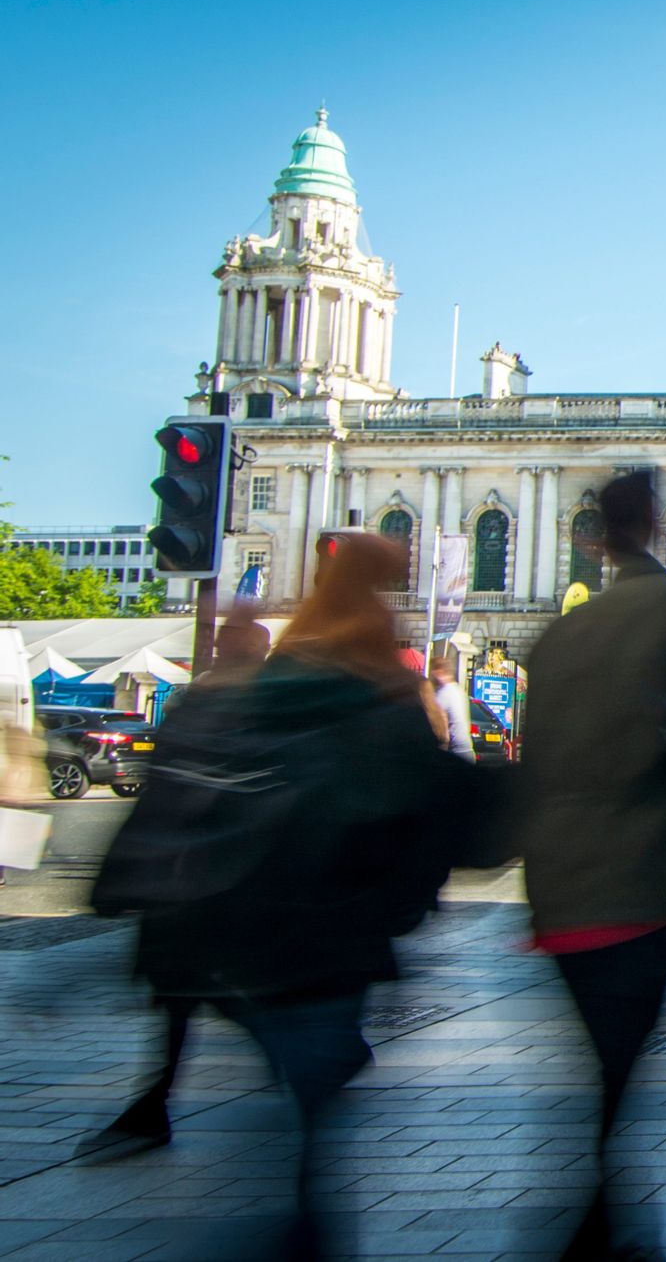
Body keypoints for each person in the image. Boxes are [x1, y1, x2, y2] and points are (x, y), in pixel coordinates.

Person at [92, 535, 474, 1259]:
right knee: (307, 1113)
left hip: (252, 916)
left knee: (290, 1102)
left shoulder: (271, 679)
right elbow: (430, 808)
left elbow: (187, 787)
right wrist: (409, 897)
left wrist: (128, 880)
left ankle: (292, 1220)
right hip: (337, 929)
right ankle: (301, 1227)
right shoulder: (383, 687)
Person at [516, 471, 666, 1262]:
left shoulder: (554, 638)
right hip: (648, 872)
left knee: (603, 1054)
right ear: (658, 525)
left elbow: (535, 756)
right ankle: (597, 1223)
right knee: (619, 1056)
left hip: (555, 885)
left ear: (595, 538)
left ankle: (595, 1216)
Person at [83, 604, 272, 1160]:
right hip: (191, 872)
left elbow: (182, 788)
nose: (216, 648)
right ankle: (154, 1102)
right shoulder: (226, 699)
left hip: (197, 873)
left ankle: (157, 1103)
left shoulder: (225, 701)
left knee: (189, 990)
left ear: (246, 649)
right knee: (183, 993)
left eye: (227, 642)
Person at [429, 656, 477, 761]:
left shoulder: (444, 693)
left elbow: (432, 720)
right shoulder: (459, 690)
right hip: (468, 750)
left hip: (455, 751)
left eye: (433, 670)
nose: (432, 674)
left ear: (439, 671)